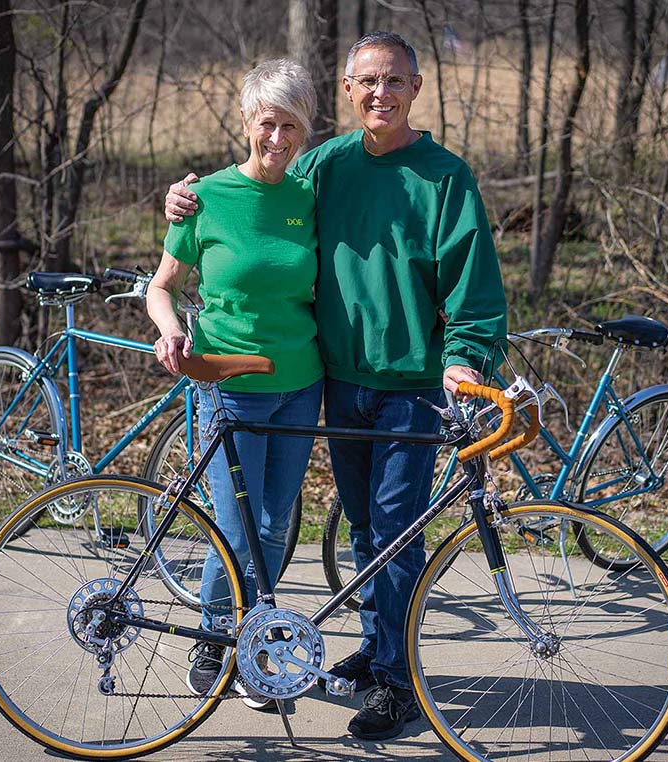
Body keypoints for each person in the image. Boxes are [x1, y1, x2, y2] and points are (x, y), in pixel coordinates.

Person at [165, 32, 507, 740]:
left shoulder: (445, 178)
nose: (380, 93)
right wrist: (181, 200)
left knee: (394, 532)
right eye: (367, 82)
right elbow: (254, 192)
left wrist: (466, 357)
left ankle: (398, 681)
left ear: (416, 87)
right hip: (338, 382)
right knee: (364, 531)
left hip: (412, 387)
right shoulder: (325, 165)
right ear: (348, 91)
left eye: (394, 81)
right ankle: (377, 650)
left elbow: (476, 291)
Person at [146, 59, 324, 711]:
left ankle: (253, 647)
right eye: (267, 124)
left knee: (276, 525)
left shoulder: (309, 197)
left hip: (301, 383)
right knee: (233, 526)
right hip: (228, 384)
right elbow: (160, 287)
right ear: (246, 120)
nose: (278, 140)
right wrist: (169, 332)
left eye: (292, 127)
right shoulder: (206, 198)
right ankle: (213, 636)